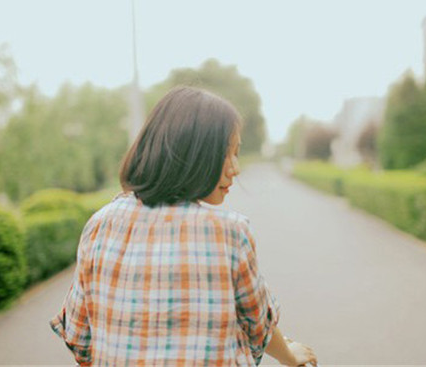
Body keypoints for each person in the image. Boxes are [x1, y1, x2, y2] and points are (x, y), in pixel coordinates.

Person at [50, 86, 318, 366]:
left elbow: (79, 337)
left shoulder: (99, 225)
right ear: (193, 153)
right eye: (227, 153)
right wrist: (289, 356)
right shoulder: (229, 232)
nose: (235, 168)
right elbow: (258, 327)